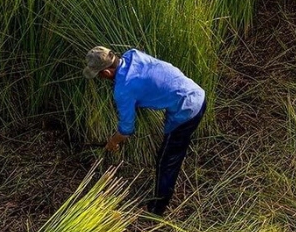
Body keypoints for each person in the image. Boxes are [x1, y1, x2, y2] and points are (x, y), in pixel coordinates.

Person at [83, 45, 208, 216]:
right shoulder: (133, 54)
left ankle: (156, 210)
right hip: (197, 93)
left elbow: (126, 129)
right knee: (173, 150)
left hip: (186, 110)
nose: (101, 78)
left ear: (106, 72)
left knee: (166, 161)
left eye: (100, 75)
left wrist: (113, 142)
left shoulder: (123, 90)